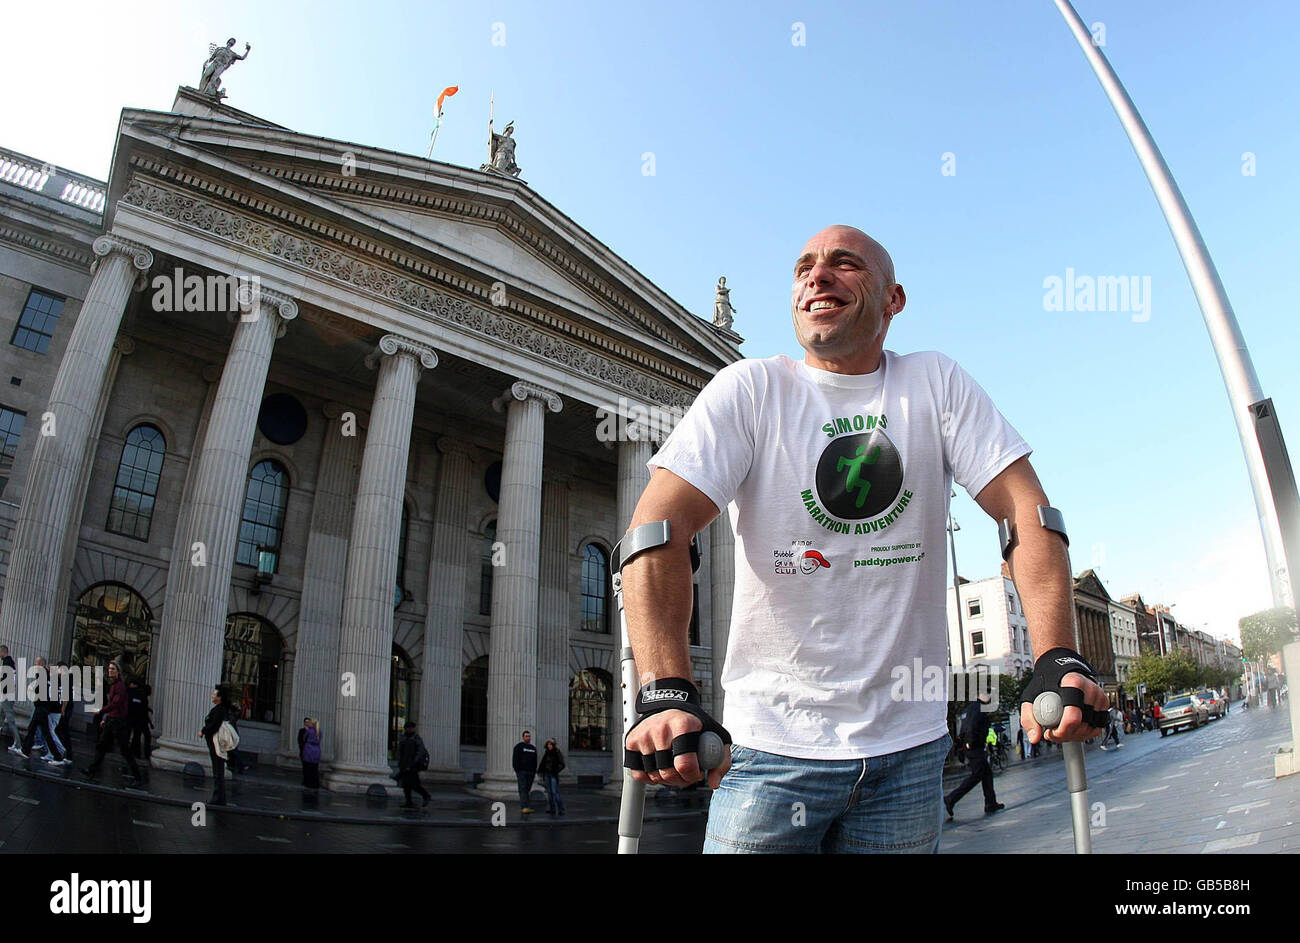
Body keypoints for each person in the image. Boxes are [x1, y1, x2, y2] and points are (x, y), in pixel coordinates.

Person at [619, 225, 1108, 854]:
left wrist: (1056, 657)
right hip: (771, 750)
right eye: (804, 269)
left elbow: (1028, 515)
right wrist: (665, 688)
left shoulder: (935, 383)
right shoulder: (751, 388)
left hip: (908, 751)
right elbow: (656, 531)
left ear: (893, 299)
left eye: (843, 264)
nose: (817, 277)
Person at [82, 661, 143, 788]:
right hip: (113, 720)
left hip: (118, 722)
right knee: (102, 746)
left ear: (118, 671)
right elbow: (114, 706)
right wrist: (106, 717)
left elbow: (116, 704)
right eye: (109, 669)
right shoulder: (114, 685)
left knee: (124, 750)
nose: (110, 671)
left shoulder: (119, 686)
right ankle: (92, 770)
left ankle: (138, 777)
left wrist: (102, 711)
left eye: (113, 669)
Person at [944, 694, 1004, 819]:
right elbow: (972, 726)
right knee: (977, 775)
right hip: (975, 747)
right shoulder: (979, 708)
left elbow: (963, 727)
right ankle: (951, 799)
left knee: (986, 774)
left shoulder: (970, 708)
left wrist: (962, 745)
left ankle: (990, 803)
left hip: (971, 746)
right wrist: (970, 742)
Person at [19, 656, 67, 763]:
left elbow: (45, 693)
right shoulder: (50, 679)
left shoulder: (46, 677)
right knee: (36, 729)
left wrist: (33, 689)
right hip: (45, 708)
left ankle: (58, 754)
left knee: (46, 732)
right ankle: (26, 750)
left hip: (43, 708)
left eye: (36, 664)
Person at [199, 684, 235, 805]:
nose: (212, 695)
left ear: (220, 697)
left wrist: (203, 731)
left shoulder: (219, 710)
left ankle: (218, 797)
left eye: (214, 694)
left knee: (218, 770)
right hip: (215, 742)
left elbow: (214, 725)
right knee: (218, 769)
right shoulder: (220, 709)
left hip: (216, 743)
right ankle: (219, 797)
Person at [396, 721, 430, 808]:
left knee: (414, 784)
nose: (410, 729)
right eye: (408, 728)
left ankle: (426, 796)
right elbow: (400, 751)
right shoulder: (403, 738)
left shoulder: (416, 738)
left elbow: (420, 752)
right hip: (404, 765)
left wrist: (413, 763)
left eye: (411, 727)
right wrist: (400, 763)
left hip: (413, 766)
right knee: (406, 785)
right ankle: (409, 802)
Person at [537, 738, 566, 815]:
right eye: (548, 744)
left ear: (553, 745)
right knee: (549, 792)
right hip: (547, 774)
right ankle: (552, 808)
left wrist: (556, 770)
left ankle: (561, 809)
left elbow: (562, 764)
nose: (549, 746)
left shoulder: (557, 752)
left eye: (550, 744)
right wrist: (540, 771)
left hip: (553, 775)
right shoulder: (546, 753)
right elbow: (543, 763)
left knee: (555, 792)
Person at [512, 730, 538, 814]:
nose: (528, 738)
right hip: (522, 772)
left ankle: (527, 806)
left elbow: (535, 761)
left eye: (529, 736)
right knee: (523, 789)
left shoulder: (533, 748)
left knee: (527, 790)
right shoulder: (519, 747)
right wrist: (518, 770)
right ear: (523, 737)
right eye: (526, 736)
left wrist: (534, 771)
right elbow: (515, 760)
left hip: (531, 772)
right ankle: (524, 807)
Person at [126, 676, 152, 761]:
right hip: (136, 719)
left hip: (135, 719)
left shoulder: (136, 694)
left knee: (135, 736)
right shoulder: (135, 694)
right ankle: (136, 753)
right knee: (136, 736)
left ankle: (134, 752)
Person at [1, 644, 21, 750]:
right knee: (1, 714)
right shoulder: (10, 663)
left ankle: (18, 743)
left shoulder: (7, 663)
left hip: (6, 695)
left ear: (3, 652)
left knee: (10, 719)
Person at [299, 717, 321, 789]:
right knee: (315, 768)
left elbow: (304, 738)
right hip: (317, 750)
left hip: (309, 749)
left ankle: (308, 783)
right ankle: (315, 783)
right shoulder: (319, 732)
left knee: (308, 767)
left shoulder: (309, 731)